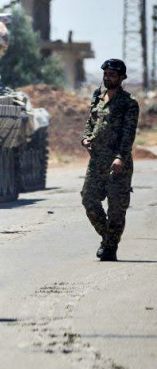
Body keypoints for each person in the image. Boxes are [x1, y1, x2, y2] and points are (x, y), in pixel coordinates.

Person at [81, 58, 139, 261]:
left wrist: (120, 157)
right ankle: (108, 239)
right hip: (97, 161)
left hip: (117, 163)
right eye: (105, 74)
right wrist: (86, 138)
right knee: (89, 200)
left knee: (116, 208)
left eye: (112, 74)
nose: (108, 77)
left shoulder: (129, 103)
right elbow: (90, 122)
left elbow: (128, 133)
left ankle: (110, 247)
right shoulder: (98, 96)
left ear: (121, 77)